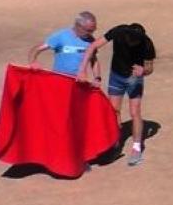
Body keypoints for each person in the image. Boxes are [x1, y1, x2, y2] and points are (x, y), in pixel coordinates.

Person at [77, 23, 156, 167]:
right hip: (116, 76)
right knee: (114, 111)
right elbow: (93, 46)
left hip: (134, 79)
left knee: (135, 112)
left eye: (137, 41)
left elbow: (150, 67)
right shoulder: (119, 32)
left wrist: (143, 71)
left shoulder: (147, 44)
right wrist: (82, 69)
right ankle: (115, 144)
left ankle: (137, 148)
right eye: (132, 40)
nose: (134, 43)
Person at [27, 11, 101, 79]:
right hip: (59, 79)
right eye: (88, 30)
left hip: (79, 82)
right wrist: (33, 61)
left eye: (93, 30)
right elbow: (36, 49)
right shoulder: (61, 36)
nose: (91, 33)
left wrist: (97, 78)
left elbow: (94, 61)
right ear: (78, 26)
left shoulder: (91, 40)